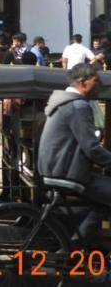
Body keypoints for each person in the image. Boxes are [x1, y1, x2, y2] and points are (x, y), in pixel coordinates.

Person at [37, 63, 111, 245]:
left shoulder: (64, 102)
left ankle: (78, 246)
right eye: (97, 81)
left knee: (102, 203)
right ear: (83, 82)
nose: (99, 86)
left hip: (54, 169)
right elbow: (91, 147)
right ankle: (75, 247)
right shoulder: (78, 106)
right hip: (66, 173)